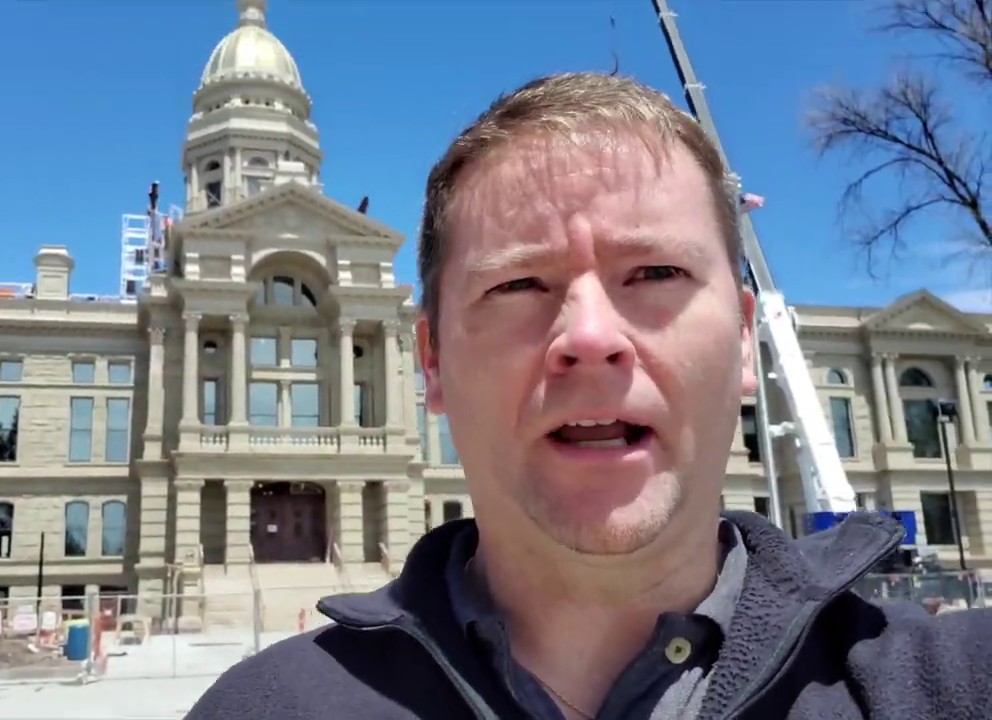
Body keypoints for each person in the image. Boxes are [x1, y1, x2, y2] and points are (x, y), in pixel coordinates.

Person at [184, 72, 992, 719]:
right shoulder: (265, 709)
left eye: (655, 273)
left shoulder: (946, 685)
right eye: (517, 284)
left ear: (748, 340)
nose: (591, 335)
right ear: (430, 360)